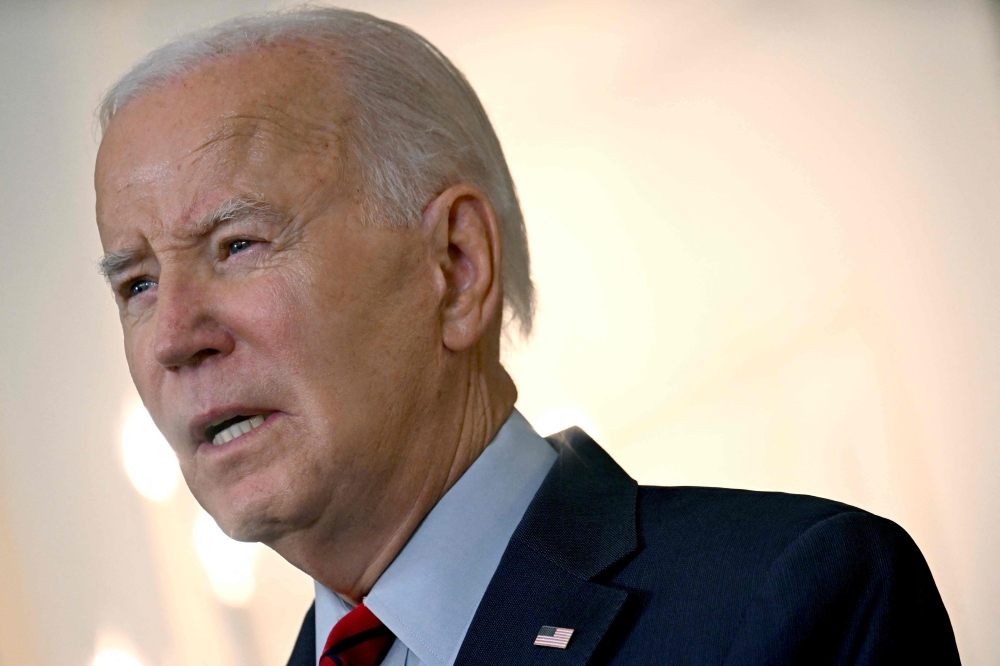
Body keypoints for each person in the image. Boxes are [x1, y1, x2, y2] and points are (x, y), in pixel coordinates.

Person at [93, 7, 960, 666]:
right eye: (137, 284)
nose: (173, 336)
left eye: (238, 245)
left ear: (456, 266)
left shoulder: (790, 602)